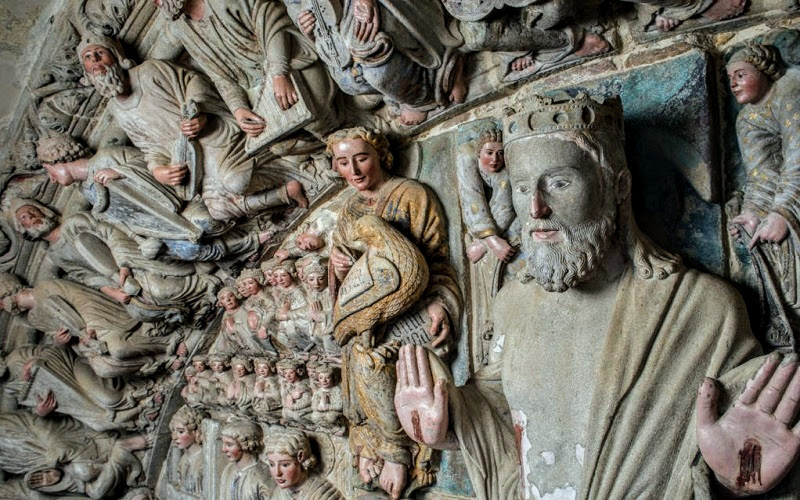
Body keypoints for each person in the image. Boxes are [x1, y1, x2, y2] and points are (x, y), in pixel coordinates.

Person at [394, 94, 800, 498]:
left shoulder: (699, 309)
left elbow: (748, 430)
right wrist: (449, 421)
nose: (535, 208)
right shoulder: (514, 305)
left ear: (617, 185)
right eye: (521, 188)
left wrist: (738, 474)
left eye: (559, 183)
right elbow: (501, 404)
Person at [326, 127, 461, 498]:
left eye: (361, 158)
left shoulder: (412, 195)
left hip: (413, 305)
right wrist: (339, 268)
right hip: (368, 310)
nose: (353, 170)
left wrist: (436, 300)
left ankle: (398, 453)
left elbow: (438, 260)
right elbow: (351, 275)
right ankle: (377, 444)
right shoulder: (350, 210)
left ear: (380, 156)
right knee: (358, 355)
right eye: (342, 162)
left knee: (373, 362)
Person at [78, 33, 308, 222]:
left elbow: (193, 82)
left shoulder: (149, 72)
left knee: (236, 182)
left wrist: (199, 113)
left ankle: (293, 162)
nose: (95, 61)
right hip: (192, 163)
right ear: (87, 72)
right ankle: (285, 193)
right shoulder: (116, 110)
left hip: (216, 139)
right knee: (218, 211)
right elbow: (148, 146)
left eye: (100, 53)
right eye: (88, 58)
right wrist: (159, 170)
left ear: (116, 56)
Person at [152, 0, 342, 148]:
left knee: (313, 117)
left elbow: (272, 23)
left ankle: (342, 136)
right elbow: (219, 76)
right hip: (257, 90)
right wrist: (238, 109)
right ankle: (325, 149)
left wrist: (279, 74)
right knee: (277, 146)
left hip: (290, 61)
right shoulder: (182, 29)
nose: (156, 3)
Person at [288, 0, 467, 125]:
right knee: (349, 82)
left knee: (379, 70)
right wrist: (303, 20)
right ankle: (404, 93)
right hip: (334, 20)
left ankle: (442, 73)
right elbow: (294, 4)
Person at [727, 43, 800, 342]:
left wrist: (784, 212)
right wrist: (752, 212)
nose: (733, 84)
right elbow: (761, 175)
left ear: (766, 71)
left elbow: (798, 155)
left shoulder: (791, 90)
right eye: (730, 78)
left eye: (741, 75)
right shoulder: (747, 119)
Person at [265, 428, 344, 499]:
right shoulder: (278, 494)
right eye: (272, 464)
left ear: (301, 456)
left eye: (285, 465)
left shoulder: (323, 494)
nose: (277, 473)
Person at [219, 420, 274, 500]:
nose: (223, 449)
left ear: (245, 445)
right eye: (223, 444)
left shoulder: (263, 475)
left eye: (229, 445)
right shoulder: (228, 470)